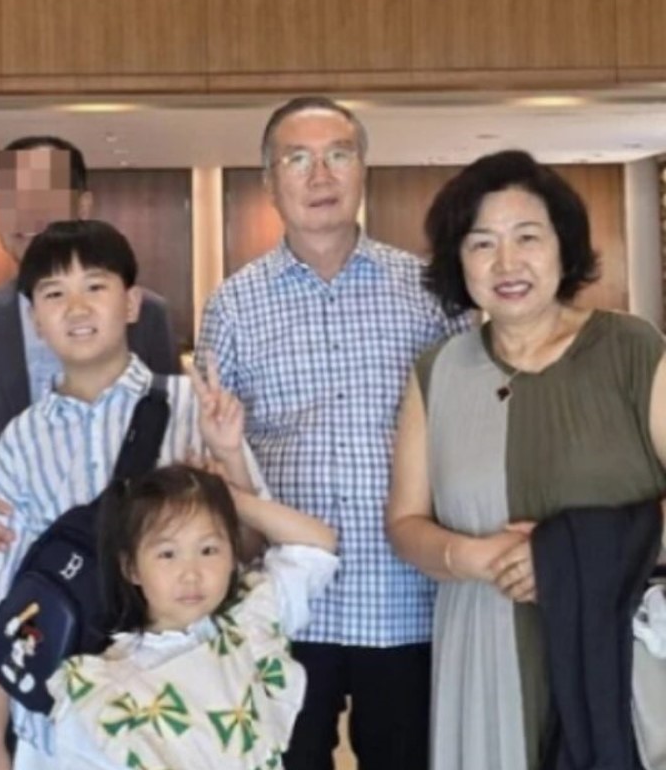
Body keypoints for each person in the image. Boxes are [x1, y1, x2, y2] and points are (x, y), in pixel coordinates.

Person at [199, 96, 467, 769]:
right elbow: (219, 462)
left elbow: (472, 428)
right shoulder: (233, 305)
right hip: (285, 604)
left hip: (406, 597)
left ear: (363, 169)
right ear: (270, 182)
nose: (320, 176)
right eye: (298, 159)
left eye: (338, 155)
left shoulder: (430, 291)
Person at [386, 149, 666, 770]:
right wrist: (474, 556)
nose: (506, 263)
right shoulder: (439, 372)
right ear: (458, 261)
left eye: (527, 237)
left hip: (622, 646)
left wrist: (567, 559)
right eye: (482, 243)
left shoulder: (632, 348)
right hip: (484, 643)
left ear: (564, 247)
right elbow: (405, 524)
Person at [0, 219, 262, 770]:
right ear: (35, 319)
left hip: (186, 719)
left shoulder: (193, 410)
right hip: (61, 726)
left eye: (95, 286)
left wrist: (230, 459)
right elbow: (7, 606)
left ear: (131, 303)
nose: (76, 308)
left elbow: (255, 551)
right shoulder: (22, 442)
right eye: (54, 294)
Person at [0, 135, 180, 770]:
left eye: (45, 193)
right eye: (11, 196)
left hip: (137, 608)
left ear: (83, 203)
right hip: (7, 592)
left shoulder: (147, 315)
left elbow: (167, 430)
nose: (27, 211)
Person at [49, 464, 339, 769]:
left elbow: (316, 546)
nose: (191, 574)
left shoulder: (249, 622)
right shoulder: (104, 690)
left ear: (232, 554)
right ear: (131, 568)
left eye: (208, 550)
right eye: (167, 554)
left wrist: (232, 500)